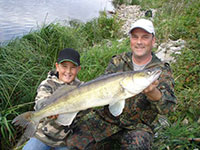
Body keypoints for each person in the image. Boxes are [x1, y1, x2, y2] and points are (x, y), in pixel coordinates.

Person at [64, 18, 177, 150]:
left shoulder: (159, 70)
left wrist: (154, 94)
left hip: (137, 126)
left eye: (145, 37)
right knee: (73, 143)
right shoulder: (118, 61)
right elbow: (101, 89)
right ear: (130, 40)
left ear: (153, 41)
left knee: (137, 147)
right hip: (107, 121)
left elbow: (169, 108)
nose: (139, 42)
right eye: (135, 37)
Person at [22, 48, 83, 150]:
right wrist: (47, 108)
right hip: (43, 136)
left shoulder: (82, 87)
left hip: (66, 139)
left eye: (73, 67)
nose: (68, 71)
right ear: (57, 66)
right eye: (64, 66)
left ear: (78, 69)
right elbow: (40, 102)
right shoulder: (47, 84)